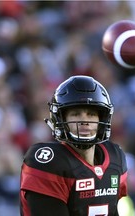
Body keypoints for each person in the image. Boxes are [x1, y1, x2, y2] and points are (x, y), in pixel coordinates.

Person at [20, 75, 128, 216]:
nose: (84, 121)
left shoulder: (115, 157)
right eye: (76, 114)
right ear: (60, 118)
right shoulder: (49, 162)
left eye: (91, 114)